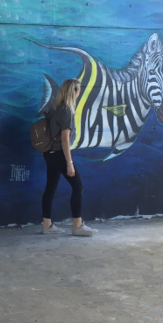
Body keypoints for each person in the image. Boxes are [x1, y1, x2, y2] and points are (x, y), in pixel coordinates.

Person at [41, 78, 97, 237]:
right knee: (78, 187)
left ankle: (47, 225)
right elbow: (65, 139)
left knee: (50, 189)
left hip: (49, 154)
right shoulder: (65, 111)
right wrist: (69, 163)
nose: (79, 93)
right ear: (74, 92)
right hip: (59, 154)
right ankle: (77, 225)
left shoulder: (54, 108)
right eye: (78, 90)